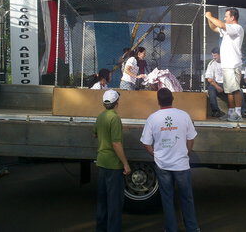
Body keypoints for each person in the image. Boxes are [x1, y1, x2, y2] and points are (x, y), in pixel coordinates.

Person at [140, 88, 200, 232]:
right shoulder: (184, 116)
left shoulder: (153, 118)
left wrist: (154, 154)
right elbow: (191, 138)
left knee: (167, 199)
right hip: (181, 165)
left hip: (163, 165)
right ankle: (192, 228)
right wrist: (187, 151)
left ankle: (171, 229)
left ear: (158, 101)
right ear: (172, 99)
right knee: (187, 198)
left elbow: (146, 142)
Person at [93, 89, 131, 232]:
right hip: (113, 165)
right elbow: (116, 143)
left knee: (102, 199)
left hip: (102, 161)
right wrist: (126, 164)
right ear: (117, 103)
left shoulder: (101, 116)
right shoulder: (114, 118)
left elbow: (95, 134)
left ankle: (101, 228)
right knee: (114, 201)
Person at [206, 8, 245, 122]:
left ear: (232, 17)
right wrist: (209, 18)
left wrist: (209, 16)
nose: (224, 18)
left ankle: (238, 114)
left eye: (226, 16)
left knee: (235, 90)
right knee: (229, 90)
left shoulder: (237, 28)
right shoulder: (228, 30)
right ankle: (231, 113)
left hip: (233, 64)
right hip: (227, 65)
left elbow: (222, 25)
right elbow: (213, 27)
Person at [205, 46, 227, 117]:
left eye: (215, 55)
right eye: (213, 55)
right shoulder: (211, 64)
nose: (213, 57)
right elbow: (209, 78)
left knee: (239, 91)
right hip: (217, 83)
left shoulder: (227, 62)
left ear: (220, 54)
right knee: (211, 89)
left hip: (228, 83)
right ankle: (215, 111)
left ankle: (243, 111)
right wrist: (217, 87)